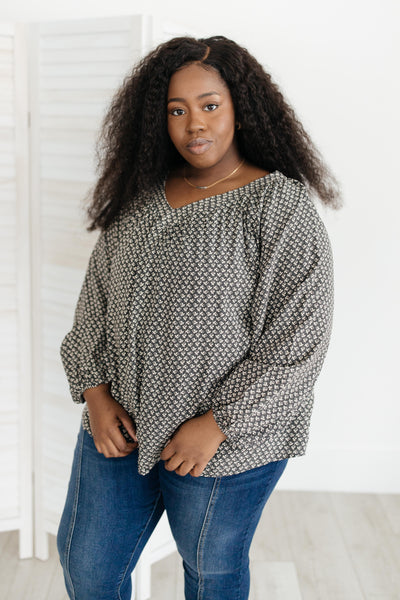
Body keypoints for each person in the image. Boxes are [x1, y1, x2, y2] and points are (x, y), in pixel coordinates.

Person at [56, 35, 341, 600]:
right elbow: (94, 303)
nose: (194, 125)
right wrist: (94, 392)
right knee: (87, 567)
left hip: (228, 440)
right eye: (176, 110)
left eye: (210, 105)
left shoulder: (278, 207)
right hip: (121, 424)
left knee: (211, 571)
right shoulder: (140, 199)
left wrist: (217, 423)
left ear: (241, 105)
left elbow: (299, 342)